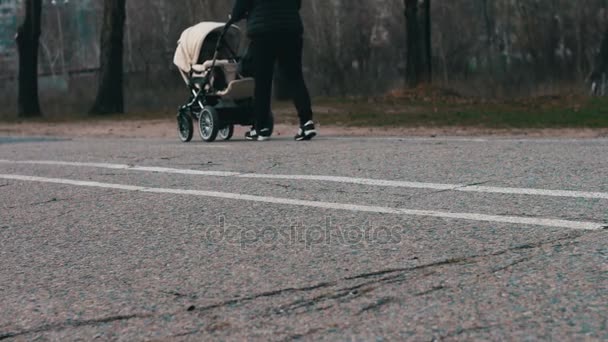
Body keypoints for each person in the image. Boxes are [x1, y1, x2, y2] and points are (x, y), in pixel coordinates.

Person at [230, 0, 317, 141]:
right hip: (290, 30)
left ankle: (262, 128)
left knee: (263, 81)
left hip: (263, 33)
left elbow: (240, 6)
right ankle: (306, 123)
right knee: (295, 77)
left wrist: (235, 16)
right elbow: (297, 4)